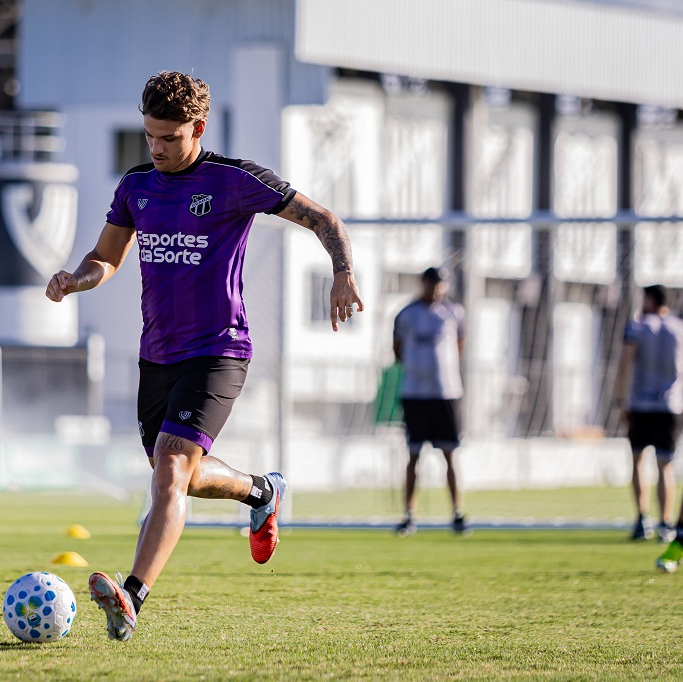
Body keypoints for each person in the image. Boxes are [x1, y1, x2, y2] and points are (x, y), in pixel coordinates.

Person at [46, 71, 364, 641]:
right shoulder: (136, 184)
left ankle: (132, 597)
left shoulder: (234, 180)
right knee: (182, 478)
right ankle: (261, 491)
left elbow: (324, 220)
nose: (158, 149)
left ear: (198, 128)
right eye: (150, 136)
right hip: (157, 355)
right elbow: (106, 256)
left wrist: (341, 273)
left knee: (169, 471)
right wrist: (76, 279)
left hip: (219, 349)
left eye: (169, 137)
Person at [392, 267, 467, 536]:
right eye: (432, 283)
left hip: (446, 393)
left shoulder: (454, 312)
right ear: (422, 282)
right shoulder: (406, 314)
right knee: (413, 456)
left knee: (450, 454)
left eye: (441, 284)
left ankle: (457, 515)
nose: (436, 288)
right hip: (415, 394)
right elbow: (398, 349)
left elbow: (460, 343)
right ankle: (409, 516)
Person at [613, 284, 683, 550]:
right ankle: (666, 522)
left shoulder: (638, 327)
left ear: (651, 300)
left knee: (639, 460)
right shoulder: (679, 327)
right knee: (666, 465)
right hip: (672, 405)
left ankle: (643, 519)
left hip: (641, 404)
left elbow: (624, 364)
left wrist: (621, 400)